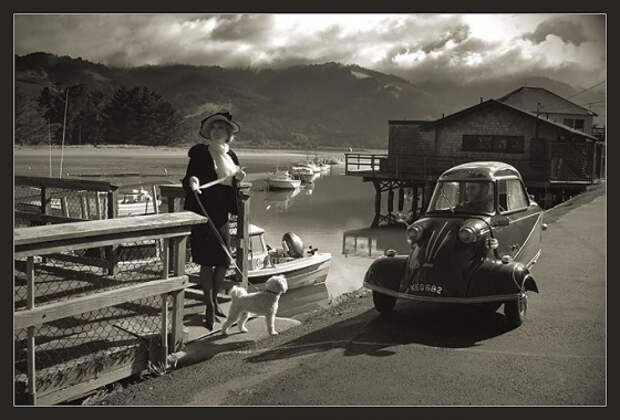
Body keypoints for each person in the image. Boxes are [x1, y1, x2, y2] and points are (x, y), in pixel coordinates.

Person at [182, 111, 246, 330]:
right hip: (203, 212)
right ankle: (209, 305)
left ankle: (215, 300)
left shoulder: (232, 156)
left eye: (222, 128)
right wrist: (193, 181)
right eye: (214, 128)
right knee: (207, 262)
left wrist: (238, 179)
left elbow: (232, 183)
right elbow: (191, 176)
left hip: (221, 214)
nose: (217, 131)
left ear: (228, 134)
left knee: (223, 261)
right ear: (208, 132)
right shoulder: (200, 153)